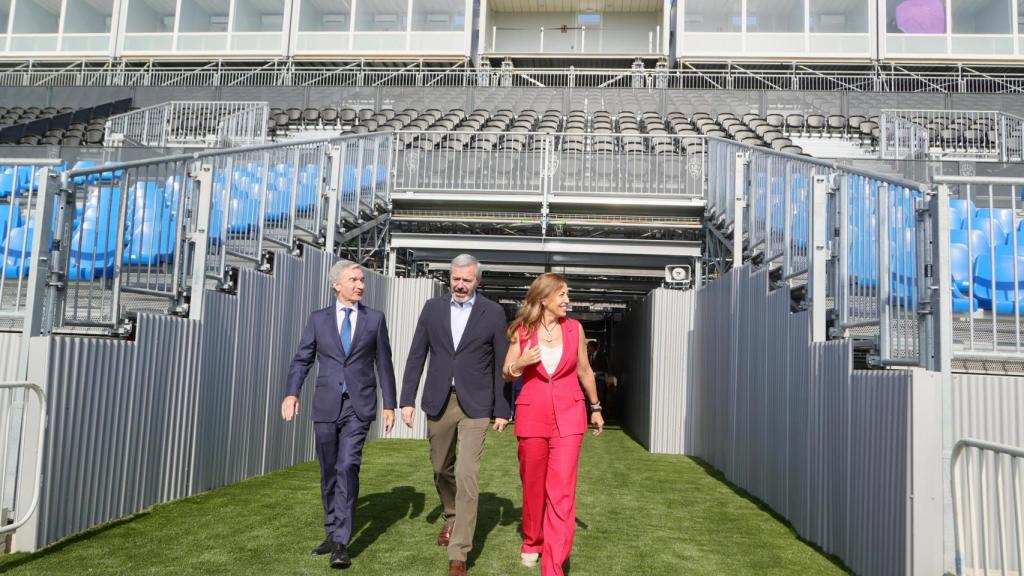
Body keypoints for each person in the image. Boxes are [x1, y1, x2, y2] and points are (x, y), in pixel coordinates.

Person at [281, 259, 397, 569]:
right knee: (329, 470)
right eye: (354, 280)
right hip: (326, 404)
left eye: (362, 280)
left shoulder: (374, 319)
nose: (361, 285)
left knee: (348, 466)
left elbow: (384, 363)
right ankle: (331, 532)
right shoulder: (318, 320)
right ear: (337, 284)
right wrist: (292, 392)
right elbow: (302, 359)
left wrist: (390, 404)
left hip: (359, 406)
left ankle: (342, 543)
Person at [400, 254, 511, 576]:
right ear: (450, 278)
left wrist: (502, 409)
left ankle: (458, 552)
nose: (461, 285)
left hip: (476, 405)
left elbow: (501, 364)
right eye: (456, 279)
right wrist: (407, 399)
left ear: (478, 281)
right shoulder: (433, 309)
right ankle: (451, 516)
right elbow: (416, 355)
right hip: (439, 400)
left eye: (468, 280)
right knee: (439, 468)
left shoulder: (492, 312)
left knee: (467, 474)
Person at [502, 273, 604, 576]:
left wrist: (595, 408)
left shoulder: (574, 329)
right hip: (532, 416)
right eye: (562, 295)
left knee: (561, 491)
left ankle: (553, 566)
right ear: (544, 298)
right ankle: (532, 541)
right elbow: (507, 373)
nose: (567, 301)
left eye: (567, 294)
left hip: (570, 416)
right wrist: (521, 363)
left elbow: (585, 370)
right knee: (533, 486)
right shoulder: (522, 330)